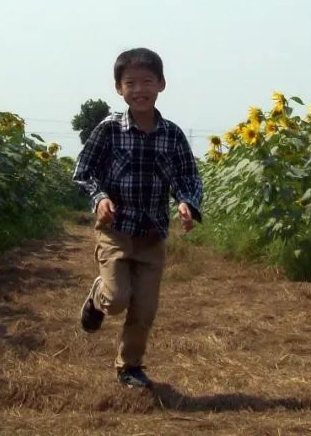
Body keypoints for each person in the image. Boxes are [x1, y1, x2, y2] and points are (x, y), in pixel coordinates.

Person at [72, 47, 203, 389]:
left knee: (143, 310)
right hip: (115, 230)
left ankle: (129, 366)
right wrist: (99, 197)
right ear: (119, 88)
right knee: (116, 300)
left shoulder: (172, 135)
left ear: (161, 84)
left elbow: (187, 176)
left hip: (152, 235)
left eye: (147, 81)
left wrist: (186, 203)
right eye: (131, 82)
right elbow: (84, 171)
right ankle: (98, 295)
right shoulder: (109, 129)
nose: (139, 89)